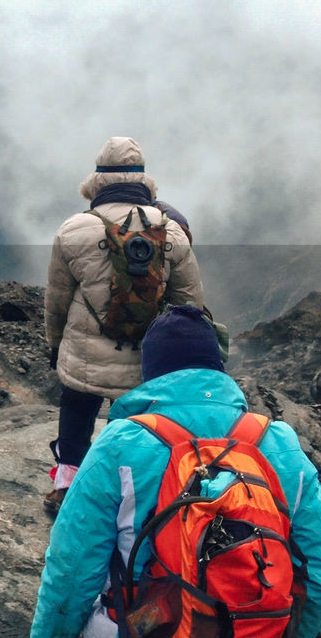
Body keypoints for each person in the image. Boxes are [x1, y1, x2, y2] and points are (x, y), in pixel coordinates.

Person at [28, 304, 321, 638]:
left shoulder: (121, 442)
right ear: (217, 366)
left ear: (151, 371)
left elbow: (73, 566)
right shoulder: (277, 442)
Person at [44, 137, 204, 514]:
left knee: (77, 405)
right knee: (139, 424)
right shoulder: (172, 231)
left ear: (97, 181)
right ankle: (139, 495)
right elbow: (190, 303)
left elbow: (57, 301)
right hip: (145, 359)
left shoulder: (74, 229)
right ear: (143, 180)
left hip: (85, 352)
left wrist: (55, 346)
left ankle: (67, 484)